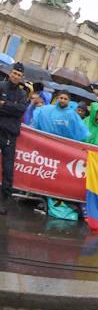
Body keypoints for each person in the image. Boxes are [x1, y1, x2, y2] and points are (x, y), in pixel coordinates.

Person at [0, 62, 29, 212]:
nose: (16, 77)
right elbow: (15, 109)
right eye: (14, 73)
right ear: (10, 73)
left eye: (19, 75)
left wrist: (4, 104)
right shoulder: (1, 86)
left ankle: (4, 201)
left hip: (9, 134)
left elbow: (21, 110)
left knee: (7, 168)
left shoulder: (22, 94)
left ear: (22, 77)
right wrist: (11, 107)